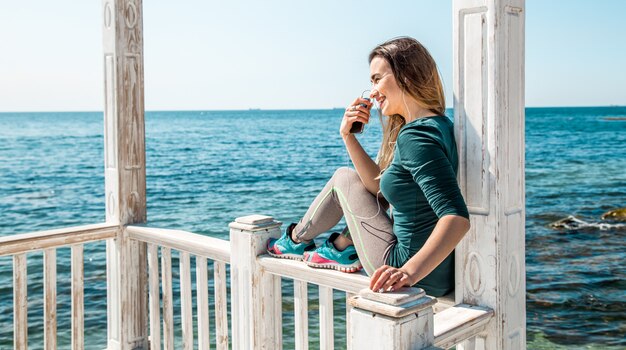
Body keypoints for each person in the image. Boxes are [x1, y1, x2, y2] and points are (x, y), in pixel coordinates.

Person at [267, 37, 470, 297]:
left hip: (403, 267)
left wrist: (407, 273)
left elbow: (456, 217)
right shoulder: (439, 125)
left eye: (377, 79)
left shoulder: (414, 137)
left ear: (406, 75)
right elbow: (378, 190)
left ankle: (295, 241)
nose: (372, 92)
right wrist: (348, 136)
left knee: (343, 177)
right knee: (349, 178)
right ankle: (341, 246)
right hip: (436, 273)